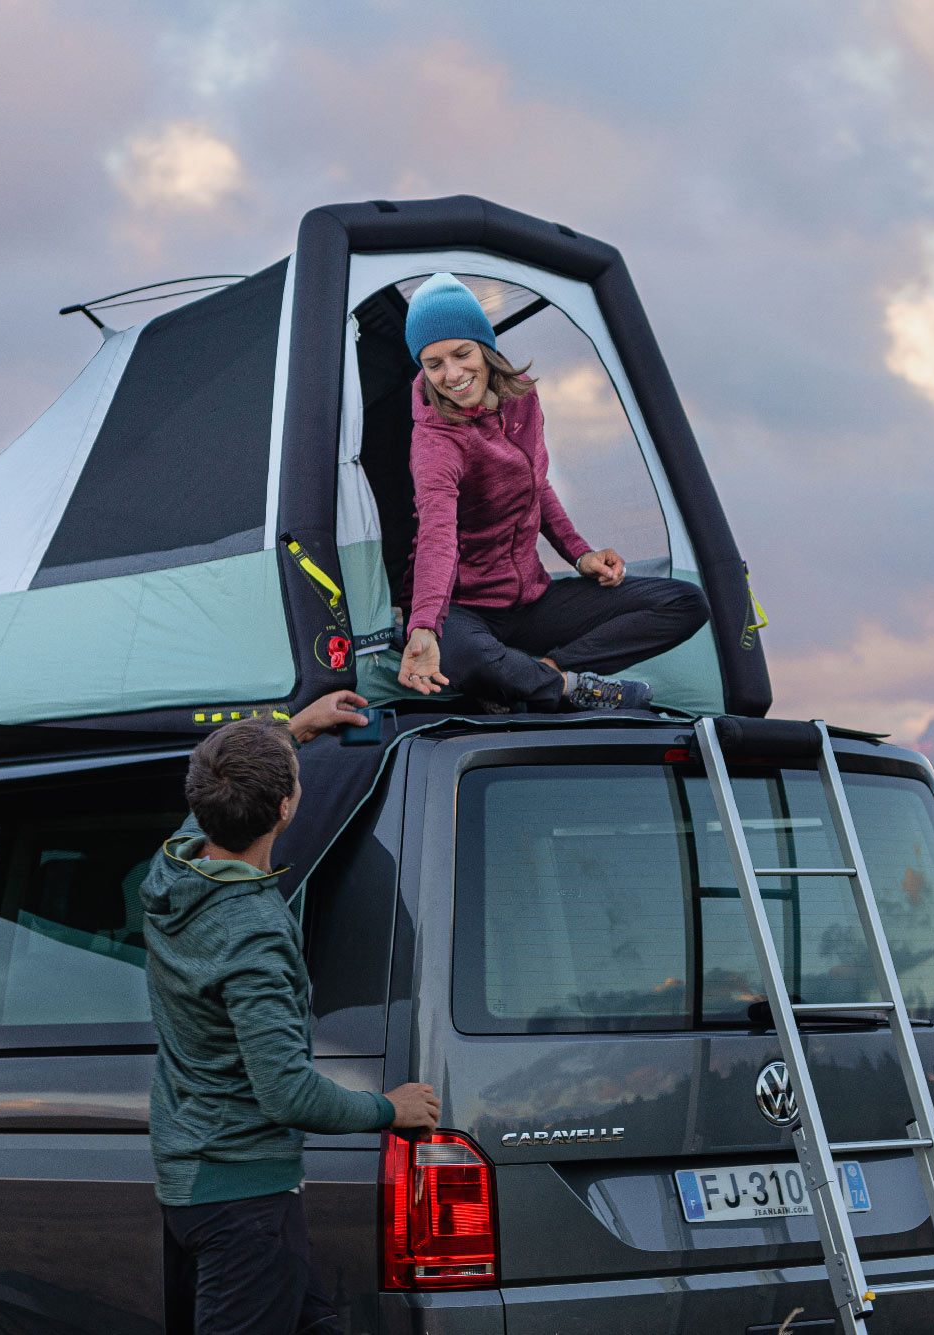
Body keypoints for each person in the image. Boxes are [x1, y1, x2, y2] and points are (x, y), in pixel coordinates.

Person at [143, 693, 439, 1335]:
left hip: (194, 1180)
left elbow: (214, 798)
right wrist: (392, 1109)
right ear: (284, 809)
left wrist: (292, 731)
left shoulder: (169, 874)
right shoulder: (252, 933)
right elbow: (287, 1093)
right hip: (242, 1198)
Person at [395, 272, 710, 711]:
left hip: (530, 600)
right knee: (465, 656)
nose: (452, 374)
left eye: (461, 354)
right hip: (461, 608)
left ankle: (546, 674)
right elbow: (436, 533)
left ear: (485, 348)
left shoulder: (522, 402)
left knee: (686, 602)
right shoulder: (434, 441)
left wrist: (580, 555)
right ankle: (571, 689)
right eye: (434, 364)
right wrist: (424, 625)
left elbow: (535, 486)